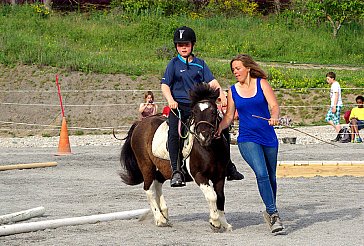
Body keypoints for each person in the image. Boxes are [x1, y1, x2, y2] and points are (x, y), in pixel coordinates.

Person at [161, 26, 243, 187]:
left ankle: (229, 165)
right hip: (179, 106)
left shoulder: (200, 64)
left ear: (192, 45)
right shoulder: (173, 64)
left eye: (186, 44)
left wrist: (222, 95)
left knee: (222, 126)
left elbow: (212, 82)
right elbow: (165, 85)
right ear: (176, 46)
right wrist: (170, 99)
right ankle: (177, 170)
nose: (183, 47)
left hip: (198, 107)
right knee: (173, 133)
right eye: (180, 45)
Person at [216, 54, 284, 233]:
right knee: (261, 174)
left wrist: (275, 117)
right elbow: (229, 116)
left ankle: (270, 211)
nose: (235, 72)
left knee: (271, 177)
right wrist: (219, 128)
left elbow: (274, 106)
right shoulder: (233, 90)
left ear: (247, 67)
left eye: (237, 68)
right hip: (247, 138)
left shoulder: (262, 84)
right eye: (233, 70)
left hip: (268, 136)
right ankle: (274, 213)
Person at [325, 72, 343, 141]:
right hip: (333, 105)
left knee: (336, 120)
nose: (327, 81)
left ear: (332, 78)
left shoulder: (335, 85)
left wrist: (334, 106)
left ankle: (340, 136)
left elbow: (336, 95)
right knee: (328, 118)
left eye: (328, 79)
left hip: (336, 105)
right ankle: (339, 131)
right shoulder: (333, 85)